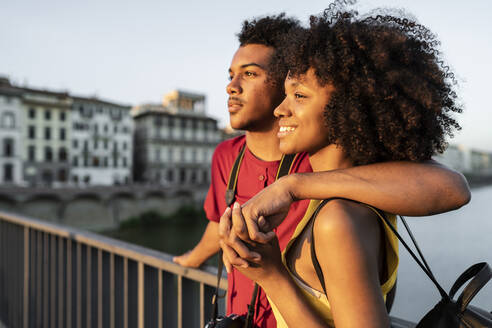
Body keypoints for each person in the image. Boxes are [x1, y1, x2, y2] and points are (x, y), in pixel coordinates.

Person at [173, 14, 470, 328]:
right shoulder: (351, 190)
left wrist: (272, 274)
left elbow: (452, 187)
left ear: (348, 107)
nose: (280, 109)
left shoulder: (337, 215)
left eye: (299, 95)